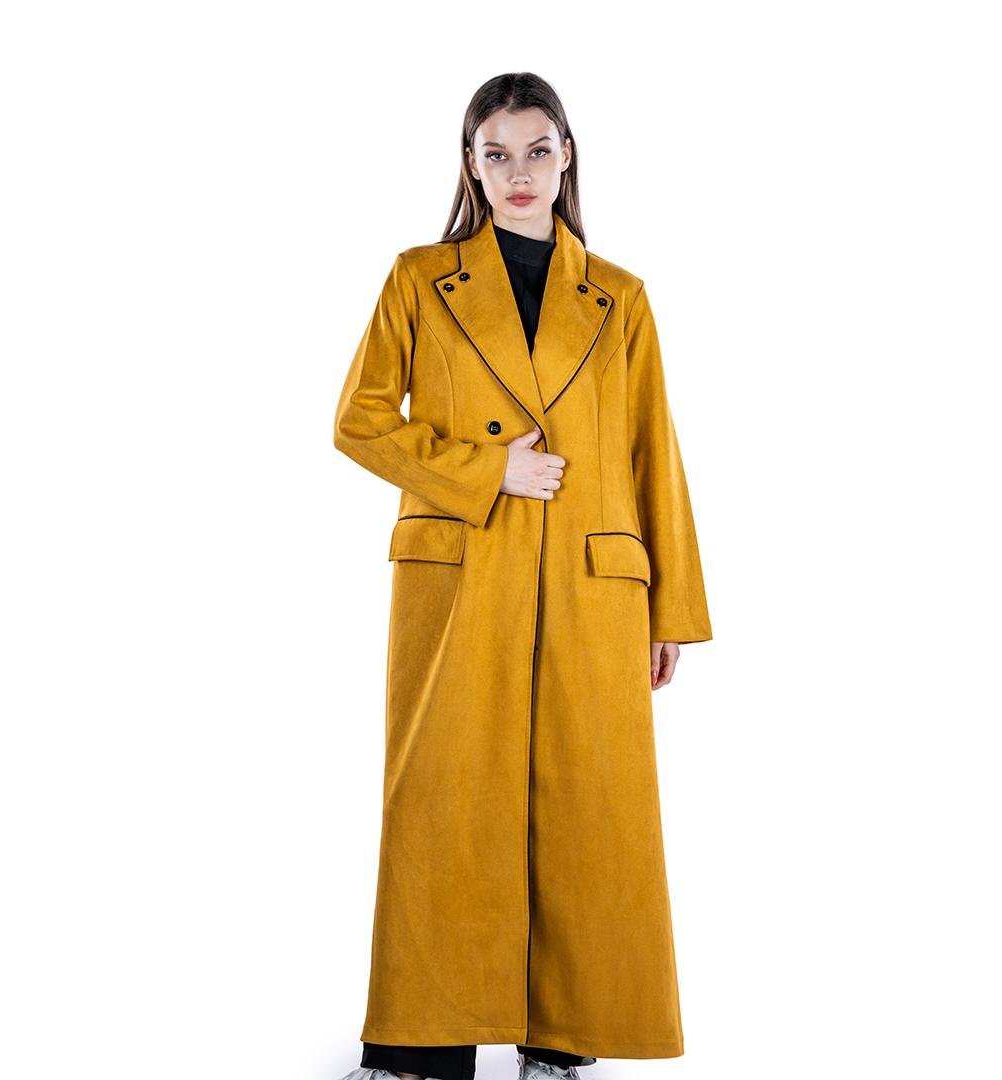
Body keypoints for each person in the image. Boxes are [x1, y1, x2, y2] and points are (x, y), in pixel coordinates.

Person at [332, 71, 713, 1080]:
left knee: (587, 801)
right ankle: (420, 1045)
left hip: (593, 583)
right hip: (462, 572)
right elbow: (359, 422)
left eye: (537, 150)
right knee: (445, 795)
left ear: (566, 155)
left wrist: (671, 607)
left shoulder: (620, 297)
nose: (519, 173)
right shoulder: (420, 279)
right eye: (496, 153)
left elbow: (654, 453)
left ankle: (562, 1040)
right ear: (470, 163)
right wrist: (485, 470)